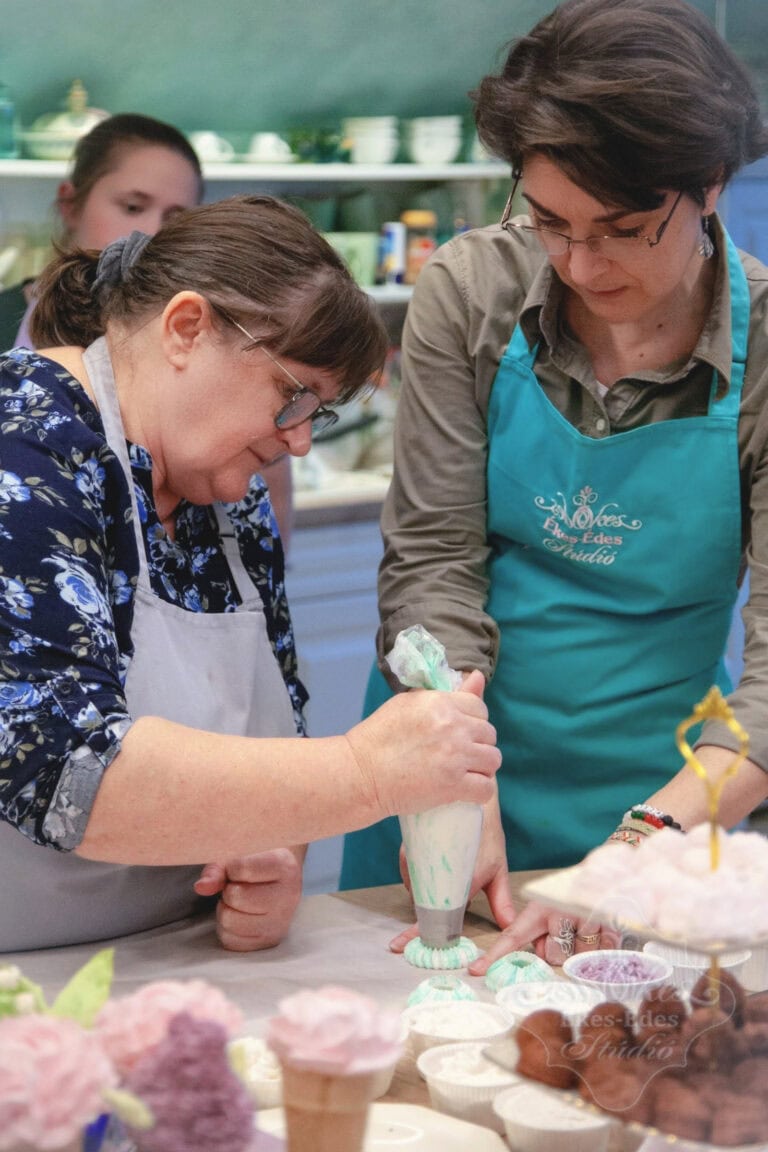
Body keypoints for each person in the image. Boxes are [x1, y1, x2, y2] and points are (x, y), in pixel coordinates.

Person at [339, 0, 768, 972]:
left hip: (666, 783)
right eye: (549, 222)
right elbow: (434, 557)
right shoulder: (472, 291)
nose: (579, 264)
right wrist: (455, 780)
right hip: (449, 735)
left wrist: (642, 846)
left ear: (708, 184)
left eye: (622, 229)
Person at [0, 194, 501, 953]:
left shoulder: (226, 499)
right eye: (293, 397)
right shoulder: (25, 442)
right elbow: (64, 766)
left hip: (174, 960)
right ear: (186, 329)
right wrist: (364, 772)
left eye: (317, 414)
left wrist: (275, 857)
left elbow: (277, 733)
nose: (299, 443)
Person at [0, 111, 294, 549]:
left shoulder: (213, 351)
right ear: (70, 204)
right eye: (133, 207)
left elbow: (266, 537)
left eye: (176, 218)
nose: (152, 232)